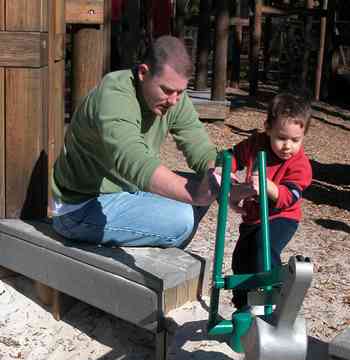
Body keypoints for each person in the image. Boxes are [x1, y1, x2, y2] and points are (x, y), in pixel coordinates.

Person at [51, 36, 218, 248]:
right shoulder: (114, 94)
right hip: (80, 206)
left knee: (208, 183)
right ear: (143, 73)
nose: (174, 100)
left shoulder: (174, 99)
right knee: (182, 217)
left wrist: (221, 179)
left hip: (125, 191)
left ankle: (161, 254)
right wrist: (195, 193)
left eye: (180, 92)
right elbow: (132, 159)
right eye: (166, 90)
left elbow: (200, 147)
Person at [228, 92, 313, 309]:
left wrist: (270, 187)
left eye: (295, 140)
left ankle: (277, 294)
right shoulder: (256, 144)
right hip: (253, 218)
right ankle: (242, 304)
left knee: (263, 248)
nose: (288, 146)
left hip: (282, 217)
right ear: (268, 128)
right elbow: (233, 155)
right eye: (282, 138)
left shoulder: (299, 164)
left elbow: (290, 197)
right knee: (240, 259)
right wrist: (224, 168)